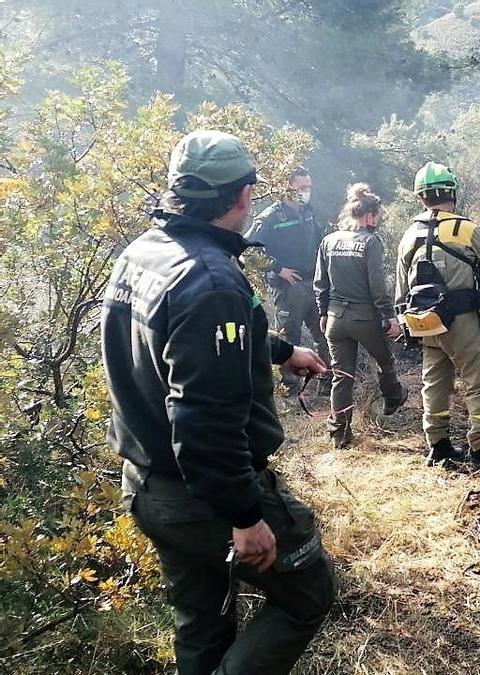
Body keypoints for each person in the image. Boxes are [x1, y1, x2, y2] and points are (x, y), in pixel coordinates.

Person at [100, 130, 336, 675]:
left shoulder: (144, 253)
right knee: (307, 594)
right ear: (244, 195)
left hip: (147, 486)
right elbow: (203, 419)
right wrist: (245, 515)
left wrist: (282, 350)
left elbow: (185, 340)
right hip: (203, 497)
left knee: (202, 626)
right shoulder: (210, 280)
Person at [395, 162, 480, 473]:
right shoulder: (463, 229)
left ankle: (438, 448)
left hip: (425, 322)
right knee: (479, 381)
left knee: (434, 383)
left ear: (421, 198)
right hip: (462, 322)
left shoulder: (409, 235)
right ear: (452, 193)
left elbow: (400, 291)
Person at [313, 183, 407, 449]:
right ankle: (392, 399)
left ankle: (340, 435)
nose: (378, 221)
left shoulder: (329, 240)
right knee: (385, 361)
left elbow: (320, 282)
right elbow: (377, 285)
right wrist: (389, 316)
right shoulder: (370, 242)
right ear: (369, 217)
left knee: (342, 376)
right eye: (378, 217)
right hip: (364, 318)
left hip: (335, 319)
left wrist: (323, 311)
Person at [249, 166, 331, 392]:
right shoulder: (270, 217)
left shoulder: (308, 211)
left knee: (324, 333)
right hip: (287, 287)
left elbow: (318, 240)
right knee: (288, 338)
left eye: (308, 187)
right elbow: (251, 249)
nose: (306, 191)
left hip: (311, 283)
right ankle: (289, 390)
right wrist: (278, 269)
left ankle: (326, 382)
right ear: (287, 188)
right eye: (301, 187)